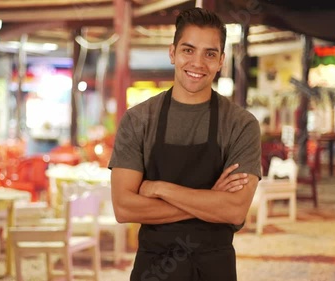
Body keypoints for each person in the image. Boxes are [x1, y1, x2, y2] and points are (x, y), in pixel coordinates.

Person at [108, 7, 261, 281]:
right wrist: (210, 199)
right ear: (173, 52)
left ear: (221, 61)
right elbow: (124, 207)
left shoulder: (241, 124)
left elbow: (235, 209)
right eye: (188, 50)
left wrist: (159, 188)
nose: (198, 63)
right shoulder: (138, 120)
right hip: (154, 269)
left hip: (215, 268)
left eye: (209, 54)